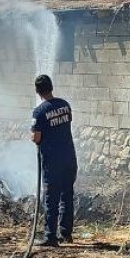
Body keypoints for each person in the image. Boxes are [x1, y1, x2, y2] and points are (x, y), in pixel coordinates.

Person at [30, 74, 76, 247]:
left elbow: (36, 137)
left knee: (51, 198)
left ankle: (50, 236)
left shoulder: (39, 112)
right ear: (52, 87)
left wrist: (33, 135)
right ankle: (66, 234)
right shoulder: (65, 105)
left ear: (37, 91)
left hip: (53, 161)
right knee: (67, 195)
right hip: (69, 158)